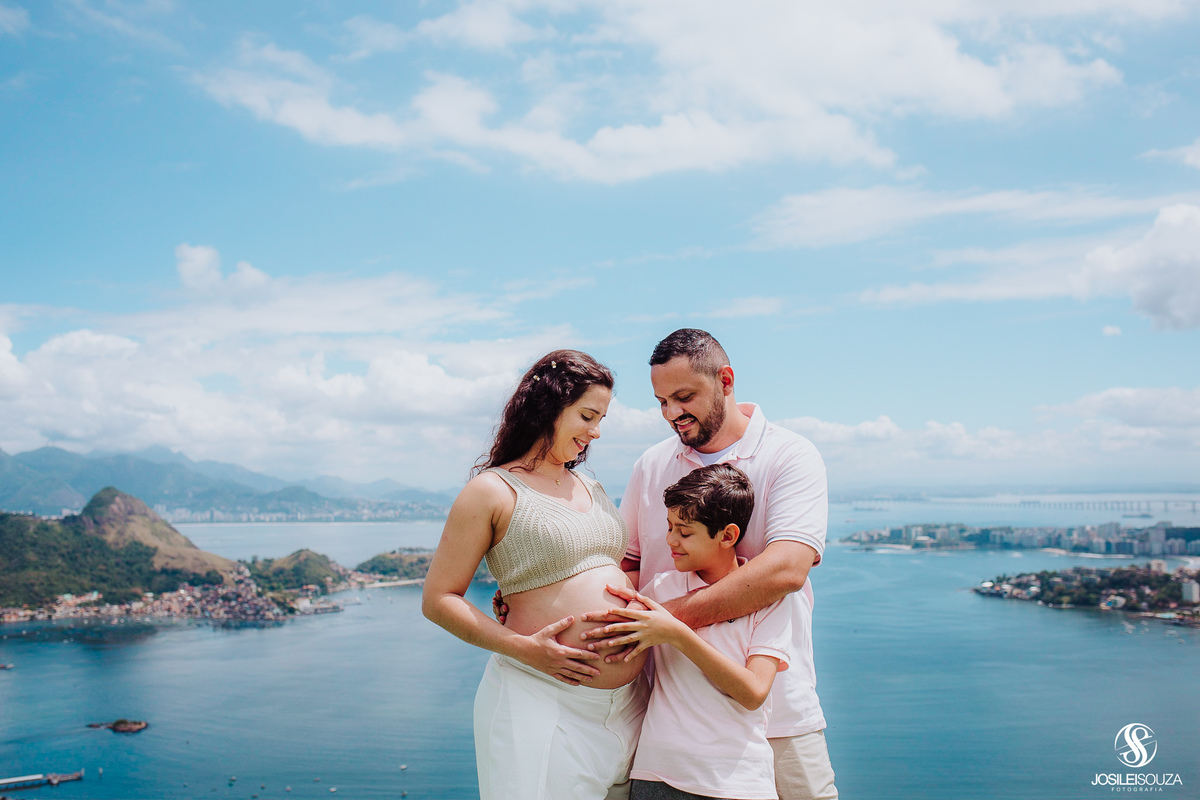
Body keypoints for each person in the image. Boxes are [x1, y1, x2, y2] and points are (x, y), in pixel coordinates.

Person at [584, 329, 838, 800]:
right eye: (661, 401)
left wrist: (665, 621)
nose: (671, 414)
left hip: (778, 718)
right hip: (671, 728)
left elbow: (786, 570)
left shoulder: (790, 456)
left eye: (684, 397)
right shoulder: (652, 464)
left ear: (725, 380)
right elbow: (623, 567)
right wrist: (540, 596)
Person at [422, 349, 649, 800]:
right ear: (548, 405)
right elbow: (438, 599)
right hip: (540, 699)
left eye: (601, 418)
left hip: (628, 705)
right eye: (587, 415)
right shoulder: (491, 490)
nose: (596, 431)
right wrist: (524, 648)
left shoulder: (591, 485)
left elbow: (605, 571)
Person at [598, 464, 800, 800]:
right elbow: (604, 627)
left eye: (685, 532)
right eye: (669, 527)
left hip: (738, 783)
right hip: (657, 774)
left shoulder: (770, 600)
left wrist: (676, 633)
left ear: (727, 535)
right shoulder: (660, 590)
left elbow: (753, 693)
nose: (671, 540)